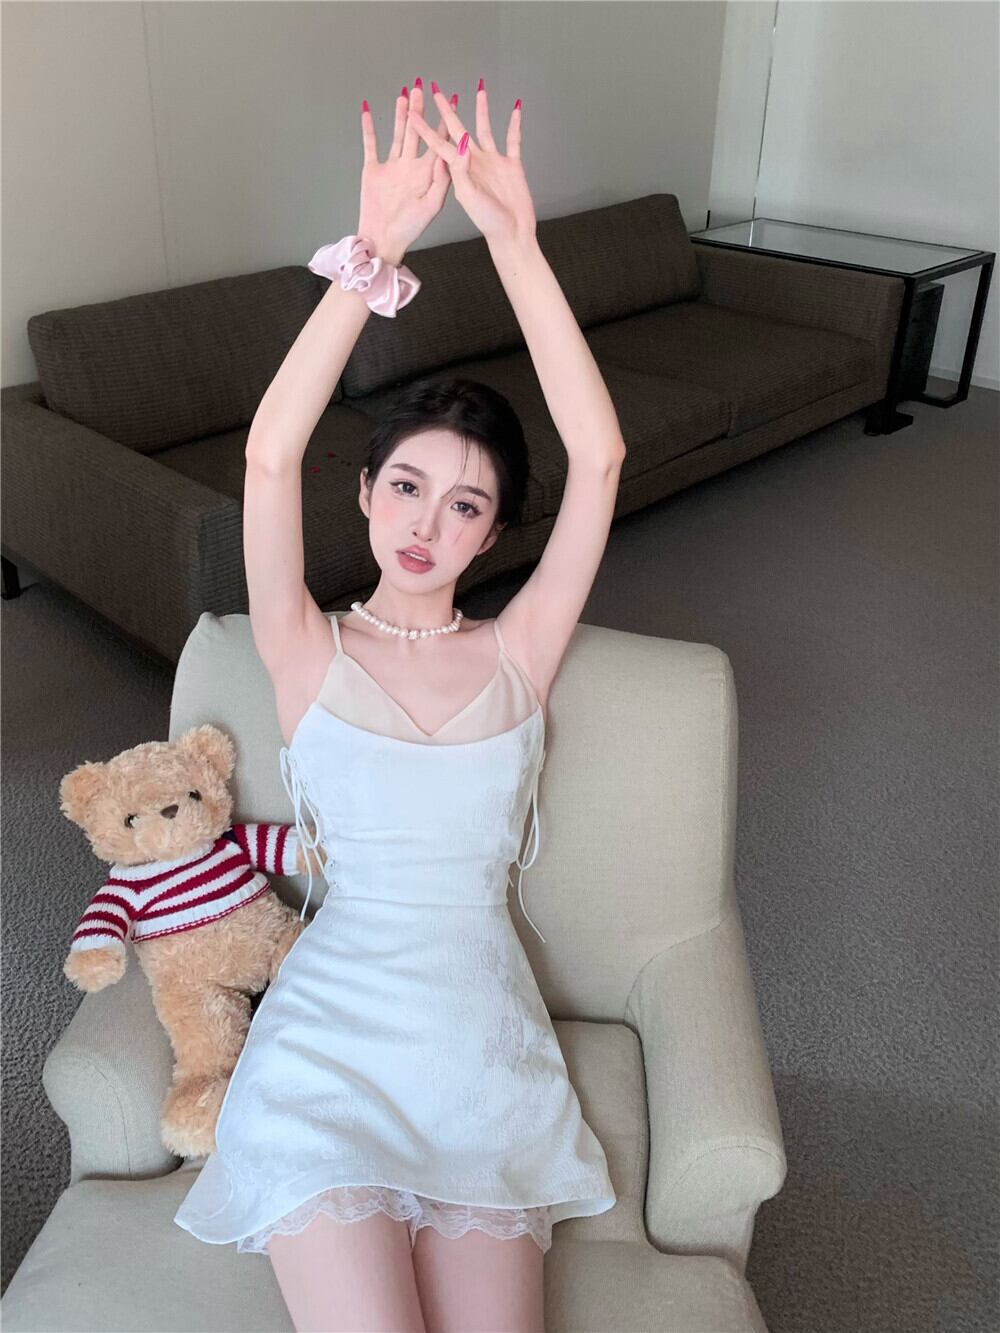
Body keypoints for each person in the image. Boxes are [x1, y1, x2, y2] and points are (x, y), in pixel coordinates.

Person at [173, 77, 627, 1333]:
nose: (429, 523)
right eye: (409, 486)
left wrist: (516, 245)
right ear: (367, 492)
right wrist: (368, 259)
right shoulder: (303, 646)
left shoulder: (520, 649)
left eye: (466, 504)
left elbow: (599, 457)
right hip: (330, 1049)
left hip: (481, 1051)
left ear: (492, 534)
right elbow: (268, 452)